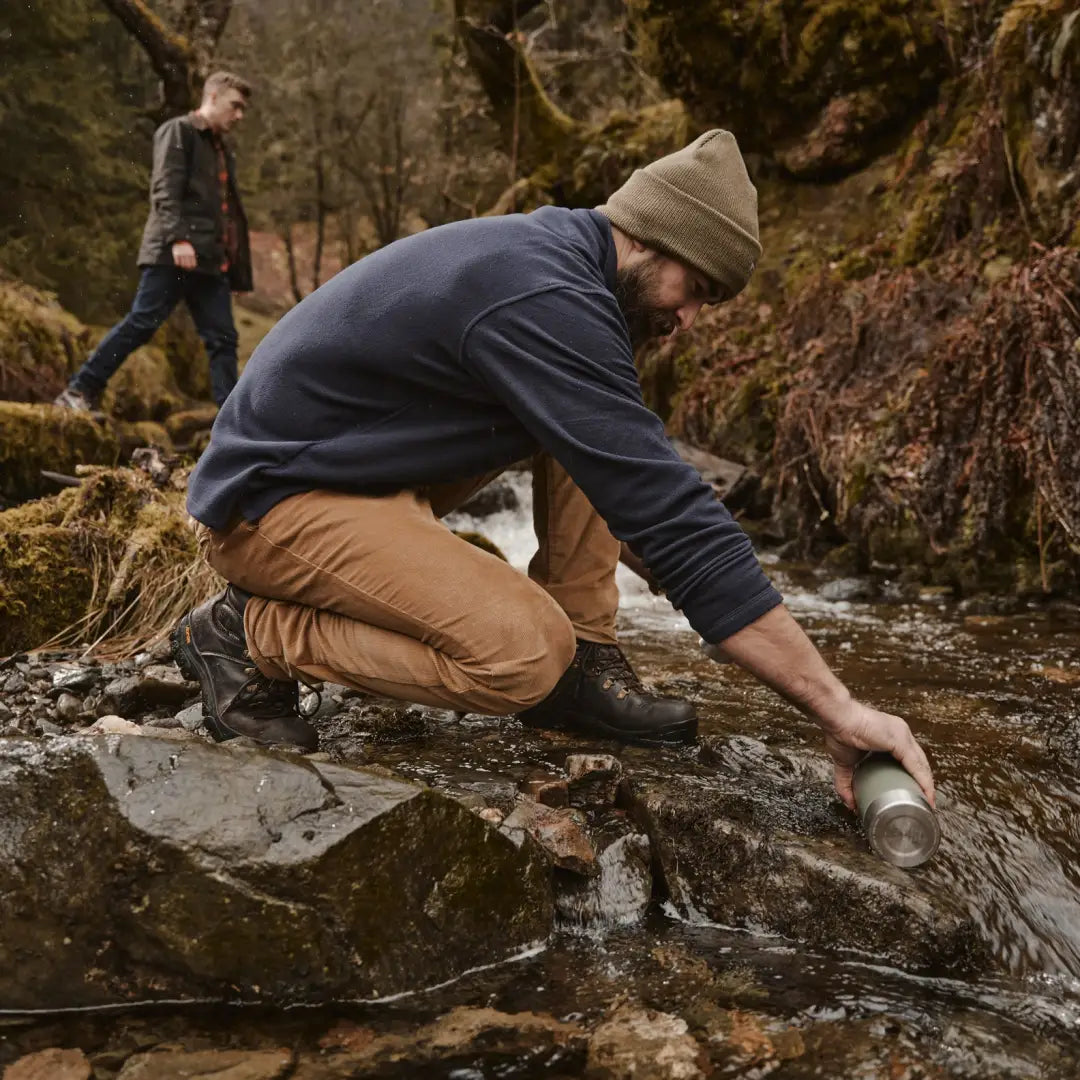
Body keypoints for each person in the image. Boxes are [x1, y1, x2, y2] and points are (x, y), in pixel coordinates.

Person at [173, 130, 935, 812]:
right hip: (267, 505)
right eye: (696, 291)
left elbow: (635, 480)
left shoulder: (569, 272)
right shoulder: (544, 297)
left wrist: (685, 570)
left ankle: (588, 660)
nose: (690, 320)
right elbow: (670, 516)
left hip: (355, 468)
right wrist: (836, 707)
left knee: (603, 430)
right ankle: (247, 632)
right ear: (648, 239)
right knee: (523, 654)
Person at [54, 72, 253, 413]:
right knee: (141, 324)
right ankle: (79, 390)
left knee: (223, 341)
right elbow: (165, 190)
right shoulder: (179, 132)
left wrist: (236, 272)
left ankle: (231, 422)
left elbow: (228, 214)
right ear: (214, 97)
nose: (239, 116)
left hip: (209, 262)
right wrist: (178, 239)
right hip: (172, 254)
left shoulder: (222, 150)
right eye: (235, 106)